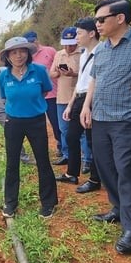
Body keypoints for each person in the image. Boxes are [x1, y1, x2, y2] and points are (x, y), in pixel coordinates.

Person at [80, 0, 131, 255]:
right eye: (96, 20)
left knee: (126, 170)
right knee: (106, 167)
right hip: (100, 117)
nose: (97, 24)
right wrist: (87, 106)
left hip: (127, 119)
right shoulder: (100, 48)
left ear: (120, 18)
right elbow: (94, 79)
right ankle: (117, 208)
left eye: (101, 19)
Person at [0, 37, 58, 219]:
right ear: (7, 56)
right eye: (13, 52)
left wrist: (32, 104)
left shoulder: (39, 71)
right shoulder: (3, 75)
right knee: (12, 163)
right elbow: (4, 97)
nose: (18, 56)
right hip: (13, 122)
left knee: (42, 161)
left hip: (36, 122)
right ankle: (10, 203)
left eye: (22, 51)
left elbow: (45, 91)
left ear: (28, 53)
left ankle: (48, 203)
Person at [61, 18, 102, 193]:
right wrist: (70, 105)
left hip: (92, 99)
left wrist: (86, 105)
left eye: (79, 33)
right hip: (79, 98)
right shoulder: (85, 53)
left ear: (91, 33)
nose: (76, 37)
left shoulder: (101, 52)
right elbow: (81, 82)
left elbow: (95, 82)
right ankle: (72, 173)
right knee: (71, 136)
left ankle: (95, 179)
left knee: (93, 141)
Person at [24, 30, 63, 162]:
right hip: (39, 97)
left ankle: (63, 145)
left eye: (33, 40)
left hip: (55, 93)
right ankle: (53, 146)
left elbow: (59, 65)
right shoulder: (25, 57)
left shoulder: (50, 51)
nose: (32, 44)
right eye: (29, 42)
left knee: (59, 122)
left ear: (37, 40)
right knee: (46, 123)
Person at [49, 27, 81, 181]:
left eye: (72, 44)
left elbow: (89, 75)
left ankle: (86, 160)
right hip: (61, 97)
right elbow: (52, 73)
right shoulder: (58, 54)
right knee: (64, 129)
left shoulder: (83, 53)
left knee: (80, 131)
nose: (68, 47)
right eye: (66, 44)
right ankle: (67, 155)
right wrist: (58, 72)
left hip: (78, 97)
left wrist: (73, 74)